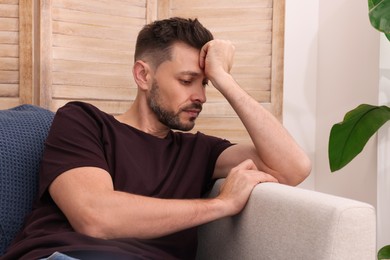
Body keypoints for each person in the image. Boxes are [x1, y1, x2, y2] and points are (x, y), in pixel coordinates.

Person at [2, 17, 311, 260]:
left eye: (206, 84)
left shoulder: (200, 151)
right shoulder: (83, 121)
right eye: (187, 80)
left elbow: (293, 168)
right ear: (144, 75)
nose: (201, 96)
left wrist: (224, 78)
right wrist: (221, 205)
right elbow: (95, 217)